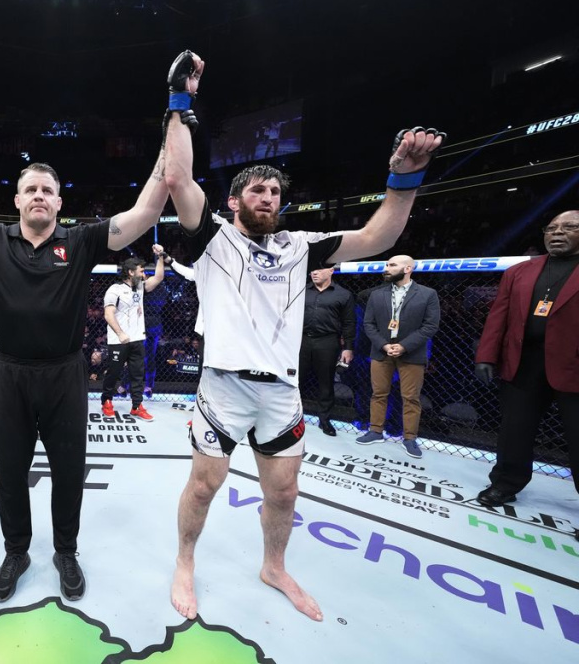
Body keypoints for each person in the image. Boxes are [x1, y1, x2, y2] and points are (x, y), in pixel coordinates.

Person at [162, 49, 444, 621]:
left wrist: (404, 178)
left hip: (281, 392)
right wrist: (178, 102)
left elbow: (379, 237)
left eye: (274, 192)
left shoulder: (301, 247)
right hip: (223, 388)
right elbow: (177, 177)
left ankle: (274, 566)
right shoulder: (211, 237)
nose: (268, 198)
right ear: (235, 201)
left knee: (284, 493)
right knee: (204, 486)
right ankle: (185, 562)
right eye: (257, 191)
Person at [0, 53, 182, 604]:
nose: (40, 196)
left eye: (48, 189)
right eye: (31, 189)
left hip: (65, 375)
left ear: (60, 201)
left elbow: (146, 212)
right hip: (10, 374)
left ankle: (66, 551)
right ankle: (16, 551)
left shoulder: (83, 239)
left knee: (70, 470)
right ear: (17, 199)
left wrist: (175, 116)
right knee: (8, 470)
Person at [474, 210, 579, 525]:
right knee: (514, 430)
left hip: (574, 366)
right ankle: (505, 483)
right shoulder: (520, 271)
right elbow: (499, 316)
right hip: (523, 361)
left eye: (569, 227)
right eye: (552, 228)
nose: (557, 232)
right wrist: (485, 355)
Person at [356, 255, 441, 458]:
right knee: (378, 393)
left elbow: (430, 326)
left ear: (408, 268)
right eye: (386, 265)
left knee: (410, 398)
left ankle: (409, 438)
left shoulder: (427, 294)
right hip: (381, 350)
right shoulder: (376, 295)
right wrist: (384, 345)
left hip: (412, 352)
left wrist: (404, 346)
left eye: (392, 265)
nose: (386, 268)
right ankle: (376, 430)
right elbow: (368, 324)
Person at [101, 247, 165, 420]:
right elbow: (108, 314)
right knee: (113, 373)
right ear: (130, 272)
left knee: (137, 375)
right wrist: (121, 333)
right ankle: (106, 401)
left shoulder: (140, 288)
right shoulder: (114, 290)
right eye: (141, 271)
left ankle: (137, 405)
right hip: (118, 340)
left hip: (137, 339)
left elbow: (159, 277)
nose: (144, 274)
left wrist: (160, 256)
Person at [300, 267, 356, 436]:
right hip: (301, 339)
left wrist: (348, 347)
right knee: (295, 381)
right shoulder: (301, 290)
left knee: (326, 383)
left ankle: (324, 420)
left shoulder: (343, 294)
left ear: (331, 270)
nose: (314, 273)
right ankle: (290, 417)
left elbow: (349, 322)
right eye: (312, 271)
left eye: (319, 270)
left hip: (328, 341)